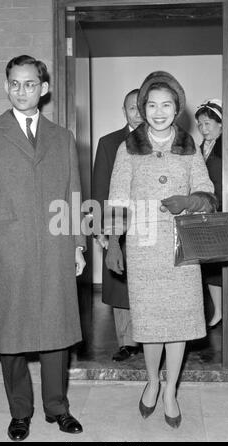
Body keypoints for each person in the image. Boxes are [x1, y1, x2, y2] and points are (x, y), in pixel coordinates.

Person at [0, 55, 86, 441]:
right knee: (10, 336)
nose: (21, 90)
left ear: (43, 89)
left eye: (29, 83)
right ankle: (20, 412)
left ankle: (57, 408)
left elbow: (73, 195)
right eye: (14, 83)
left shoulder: (62, 137)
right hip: (6, 252)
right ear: (6, 86)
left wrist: (78, 245)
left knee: (55, 332)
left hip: (54, 249)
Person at [105, 71, 217, 428]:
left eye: (166, 104)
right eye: (151, 104)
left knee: (179, 322)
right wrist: (112, 243)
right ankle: (152, 382)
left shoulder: (188, 147)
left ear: (176, 108)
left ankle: (171, 389)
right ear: (142, 108)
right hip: (142, 245)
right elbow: (118, 199)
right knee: (151, 321)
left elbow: (208, 192)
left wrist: (190, 200)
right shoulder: (128, 148)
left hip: (179, 246)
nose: (158, 111)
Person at [92, 89, 142, 361]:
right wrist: (101, 230)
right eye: (130, 108)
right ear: (124, 112)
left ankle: (153, 336)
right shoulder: (109, 142)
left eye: (139, 106)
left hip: (151, 223)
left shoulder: (163, 140)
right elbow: (100, 186)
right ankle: (127, 341)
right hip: (118, 222)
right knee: (121, 282)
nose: (136, 112)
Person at [195, 99, 223, 327]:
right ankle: (218, 310)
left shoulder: (226, 148)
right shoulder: (199, 148)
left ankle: (222, 311)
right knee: (208, 267)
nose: (204, 129)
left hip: (220, 211)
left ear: (220, 125)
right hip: (203, 212)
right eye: (200, 125)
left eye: (207, 124)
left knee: (218, 267)